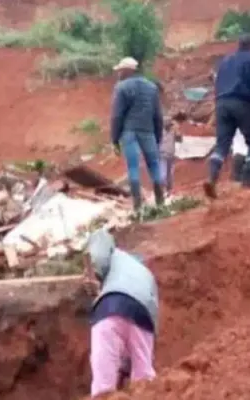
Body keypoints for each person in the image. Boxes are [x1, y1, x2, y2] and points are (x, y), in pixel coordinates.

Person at [84, 229, 159, 397]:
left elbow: (100, 237)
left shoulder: (114, 253)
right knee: (144, 379)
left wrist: (94, 272)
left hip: (109, 307)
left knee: (103, 384)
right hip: (143, 312)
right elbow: (151, 324)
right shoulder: (147, 275)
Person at [204, 34, 250, 199]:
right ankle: (249, 175)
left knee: (222, 144)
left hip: (222, 103)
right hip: (243, 103)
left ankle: (211, 177)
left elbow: (217, 84)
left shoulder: (225, 61)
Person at [110, 57, 164, 211]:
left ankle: (138, 207)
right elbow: (158, 116)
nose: (118, 73)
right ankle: (161, 203)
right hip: (148, 132)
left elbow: (117, 116)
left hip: (129, 132)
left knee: (133, 168)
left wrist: (114, 139)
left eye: (120, 70)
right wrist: (158, 137)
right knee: (154, 165)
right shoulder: (151, 88)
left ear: (127, 71)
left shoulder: (121, 87)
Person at [159, 116, 182, 197]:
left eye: (170, 124)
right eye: (168, 124)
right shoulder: (159, 132)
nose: (169, 125)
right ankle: (162, 190)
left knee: (170, 175)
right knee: (163, 175)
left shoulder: (173, 131)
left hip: (171, 156)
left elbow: (180, 140)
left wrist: (178, 131)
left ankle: (169, 191)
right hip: (162, 156)